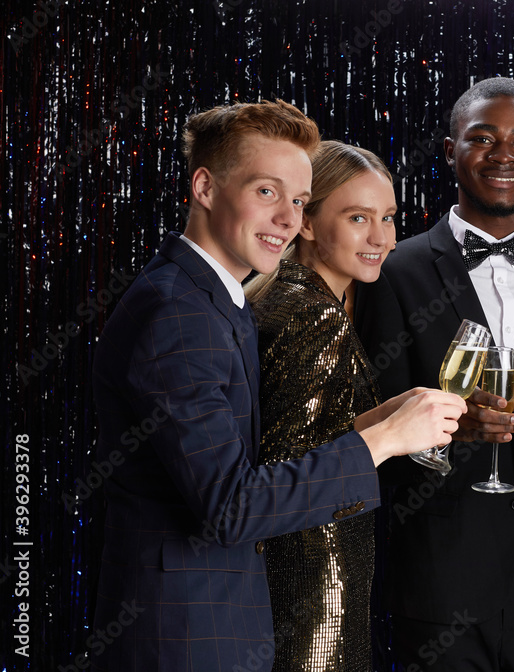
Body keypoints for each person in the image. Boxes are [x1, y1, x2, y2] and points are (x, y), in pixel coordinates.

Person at [90, 101, 465, 671]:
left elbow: (255, 461)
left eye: (297, 199)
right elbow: (232, 506)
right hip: (187, 637)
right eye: (268, 192)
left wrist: (380, 424)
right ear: (205, 187)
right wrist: (382, 441)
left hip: (223, 624)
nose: (288, 218)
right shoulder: (177, 311)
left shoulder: (220, 299)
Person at [355, 77, 514, 670]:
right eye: (483, 138)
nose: (505, 155)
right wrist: (442, 432)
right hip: (443, 583)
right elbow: (370, 431)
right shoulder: (393, 272)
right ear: (450, 151)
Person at [243, 140, 417, 671]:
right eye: (358, 217)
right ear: (309, 223)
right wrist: (389, 438)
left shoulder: (288, 297)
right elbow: (285, 477)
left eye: (388, 218)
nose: (381, 238)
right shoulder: (313, 316)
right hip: (315, 586)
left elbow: (301, 436)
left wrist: (389, 417)